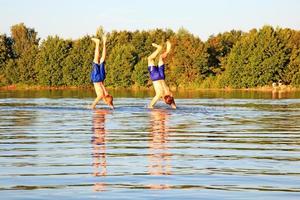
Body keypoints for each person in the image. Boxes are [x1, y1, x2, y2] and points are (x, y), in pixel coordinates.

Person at [147, 41, 176, 109]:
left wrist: (174, 106)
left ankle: (167, 51)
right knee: (149, 59)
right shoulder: (159, 95)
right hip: (155, 76)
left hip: (162, 76)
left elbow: (173, 103)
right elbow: (150, 106)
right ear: (163, 99)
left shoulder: (170, 94)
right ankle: (159, 48)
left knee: (161, 57)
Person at [90, 35, 114, 109]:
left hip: (102, 78)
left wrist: (111, 105)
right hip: (96, 79)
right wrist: (92, 106)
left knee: (102, 60)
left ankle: (104, 42)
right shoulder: (101, 95)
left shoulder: (105, 94)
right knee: (96, 60)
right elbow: (100, 96)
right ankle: (97, 43)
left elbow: (103, 88)